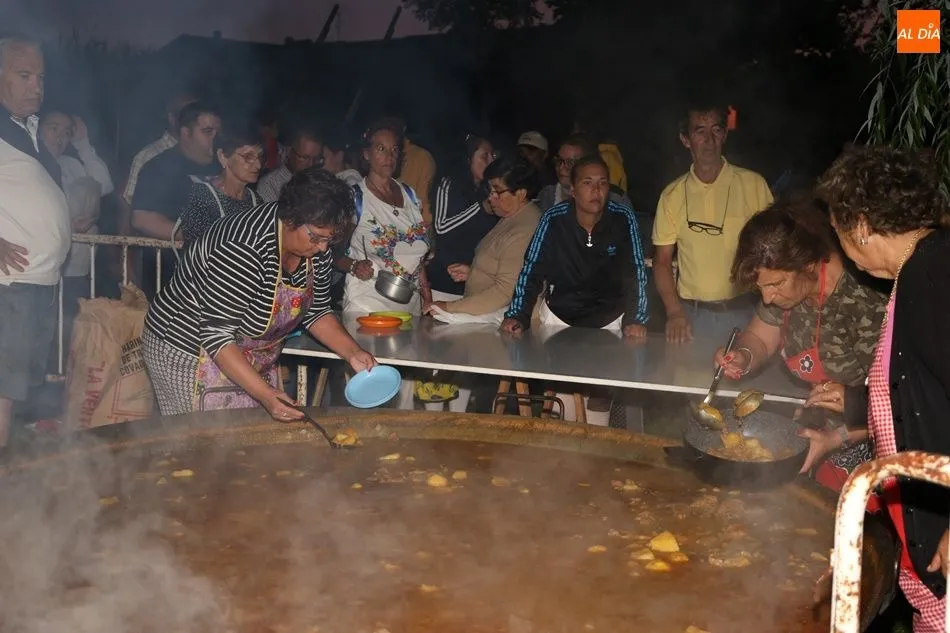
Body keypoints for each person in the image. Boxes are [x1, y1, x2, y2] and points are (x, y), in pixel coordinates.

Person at [818, 145, 950, 633]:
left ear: (861, 225)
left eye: (839, 231)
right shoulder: (919, 268)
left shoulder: (933, 277)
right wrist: (855, 400)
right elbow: (927, 391)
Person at [143, 168, 377, 420]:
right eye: (316, 238)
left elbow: (317, 311)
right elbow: (216, 335)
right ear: (290, 219)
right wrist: (266, 394)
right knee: (200, 442)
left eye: (328, 241)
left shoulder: (317, 245)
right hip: (187, 346)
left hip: (245, 350)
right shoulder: (244, 246)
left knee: (249, 439)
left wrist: (353, 353)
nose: (322, 249)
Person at [715, 196, 885, 490]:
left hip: (870, 453)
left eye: (776, 285)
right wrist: (742, 355)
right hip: (816, 436)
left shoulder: (862, 301)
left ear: (807, 264)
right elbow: (759, 338)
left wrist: (836, 438)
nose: (767, 297)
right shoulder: (783, 287)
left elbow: (891, 404)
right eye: (760, 287)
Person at [0, 36, 71, 448]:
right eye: (24, 75)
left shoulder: (25, 131)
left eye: (41, 77)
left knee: (12, 393)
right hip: (9, 286)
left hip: (35, 286)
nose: (37, 86)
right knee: (2, 393)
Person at [652, 101, 773, 342]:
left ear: (725, 134)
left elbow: (776, 251)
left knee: (743, 379)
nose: (709, 139)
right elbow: (662, 262)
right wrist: (674, 312)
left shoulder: (754, 185)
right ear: (685, 139)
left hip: (746, 313)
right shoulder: (671, 195)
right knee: (686, 378)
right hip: (690, 318)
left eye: (716, 130)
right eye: (700, 131)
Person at [501, 155, 648, 338]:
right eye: (587, 183)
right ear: (573, 190)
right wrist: (517, 315)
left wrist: (635, 319)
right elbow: (531, 270)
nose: (596, 190)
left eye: (602, 183)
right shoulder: (554, 219)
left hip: (611, 320)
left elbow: (635, 272)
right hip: (558, 318)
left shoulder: (622, 218)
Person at [427, 155, 542, 317]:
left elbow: (505, 292)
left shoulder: (525, 228)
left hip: (501, 322)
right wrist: (474, 273)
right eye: (490, 190)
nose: (490, 197)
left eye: (497, 191)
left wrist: (448, 307)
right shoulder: (510, 217)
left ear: (521, 193)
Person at [38, 109, 114, 355]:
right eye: (53, 128)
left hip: (75, 268)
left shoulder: (70, 165)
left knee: (69, 335)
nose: (60, 137)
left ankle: (64, 387)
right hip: (40, 267)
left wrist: (83, 145)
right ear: (38, 129)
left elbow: (105, 185)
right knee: (42, 335)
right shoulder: (28, 163)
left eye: (67, 133)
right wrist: (67, 228)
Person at [338, 118, 431, 316]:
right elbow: (332, 253)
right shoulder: (355, 198)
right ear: (366, 154)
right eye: (381, 149)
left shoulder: (410, 195)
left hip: (409, 304)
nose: (389, 156)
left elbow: (418, 255)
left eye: (394, 150)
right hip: (367, 304)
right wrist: (354, 266)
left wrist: (426, 293)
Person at [131, 101, 220, 295]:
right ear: (185, 133)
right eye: (207, 131)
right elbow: (142, 218)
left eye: (216, 132)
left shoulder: (220, 167)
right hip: (169, 279)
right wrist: (200, 236)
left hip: (209, 280)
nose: (214, 138)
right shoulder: (159, 167)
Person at [426, 133, 498, 302]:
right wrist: (480, 208)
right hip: (446, 282)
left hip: (476, 283)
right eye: (484, 156)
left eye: (492, 156)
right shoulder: (449, 184)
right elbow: (441, 227)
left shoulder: (489, 190)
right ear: (468, 159)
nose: (491, 162)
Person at [176, 120, 262, 246]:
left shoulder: (255, 201)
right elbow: (197, 250)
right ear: (223, 156)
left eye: (260, 157)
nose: (258, 165)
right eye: (248, 157)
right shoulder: (202, 196)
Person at [537, 133, 631, 212]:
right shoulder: (546, 196)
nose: (561, 168)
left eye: (571, 162)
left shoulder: (615, 199)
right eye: (559, 160)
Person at [256, 122, 323, 203]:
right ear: (289, 152)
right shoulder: (269, 185)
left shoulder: (321, 181)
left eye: (316, 159)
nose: (311, 164)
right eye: (305, 158)